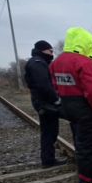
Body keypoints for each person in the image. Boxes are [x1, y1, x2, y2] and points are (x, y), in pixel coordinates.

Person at [50, 27, 92, 183]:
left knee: (81, 144)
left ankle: (89, 178)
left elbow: (55, 86)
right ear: (84, 42)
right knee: (89, 148)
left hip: (68, 108)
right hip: (86, 110)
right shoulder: (84, 62)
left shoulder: (57, 62)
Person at [23, 40, 66, 168]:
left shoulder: (37, 62)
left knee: (49, 130)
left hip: (41, 101)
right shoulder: (38, 63)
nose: (52, 54)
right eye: (50, 51)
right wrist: (55, 99)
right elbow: (44, 85)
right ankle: (48, 160)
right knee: (49, 131)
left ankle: (48, 157)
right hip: (44, 103)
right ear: (43, 50)